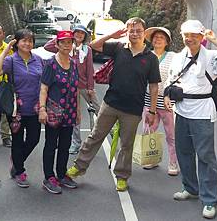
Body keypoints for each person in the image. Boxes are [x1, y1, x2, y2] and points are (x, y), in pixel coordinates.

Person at [66, 17, 161, 192]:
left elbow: (154, 86)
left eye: (138, 30)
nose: (134, 33)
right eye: (131, 30)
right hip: (110, 103)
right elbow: (94, 45)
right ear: (127, 32)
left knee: (126, 144)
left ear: (144, 33)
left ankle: (122, 176)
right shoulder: (118, 48)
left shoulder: (150, 58)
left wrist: (152, 111)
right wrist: (113, 34)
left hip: (133, 109)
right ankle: (79, 167)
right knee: (95, 136)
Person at [164, 20, 217, 219]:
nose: (190, 39)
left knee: (205, 156)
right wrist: (166, 95)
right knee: (184, 152)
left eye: (195, 35)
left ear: (201, 37)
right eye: (186, 35)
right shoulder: (179, 57)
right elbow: (170, 81)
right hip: (181, 111)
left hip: (203, 113)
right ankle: (190, 188)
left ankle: (210, 200)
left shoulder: (213, 57)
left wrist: (215, 40)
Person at [0, 28, 44, 189]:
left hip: (35, 108)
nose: (27, 43)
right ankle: (20, 171)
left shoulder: (39, 60)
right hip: (16, 110)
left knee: (34, 139)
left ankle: (17, 161)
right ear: (17, 42)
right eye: (24, 40)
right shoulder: (11, 60)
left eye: (30, 40)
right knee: (17, 141)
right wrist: (6, 49)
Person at [44, 24, 99, 155]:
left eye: (82, 33)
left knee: (98, 109)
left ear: (85, 36)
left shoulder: (87, 50)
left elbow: (90, 68)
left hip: (84, 85)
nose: (79, 35)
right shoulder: (66, 47)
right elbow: (48, 47)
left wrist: (91, 86)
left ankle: (100, 137)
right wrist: (64, 36)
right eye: (77, 33)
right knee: (74, 117)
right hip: (69, 88)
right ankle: (76, 143)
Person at [38, 30, 80, 194]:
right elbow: (43, 88)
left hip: (69, 111)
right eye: (63, 42)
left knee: (65, 144)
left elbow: (76, 89)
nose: (66, 45)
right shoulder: (50, 64)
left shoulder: (74, 64)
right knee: (50, 144)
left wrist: (78, 111)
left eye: (69, 42)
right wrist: (42, 109)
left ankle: (62, 174)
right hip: (54, 111)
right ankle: (49, 177)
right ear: (57, 44)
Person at [141, 27, 179, 175]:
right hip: (149, 100)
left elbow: (177, 77)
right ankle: (153, 159)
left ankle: (173, 163)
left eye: (161, 38)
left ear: (167, 42)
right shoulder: (146, 55)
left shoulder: (174, 57)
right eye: (155, 37)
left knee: (172, 134)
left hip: (167, 100)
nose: (157, 40)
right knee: (149, 131)